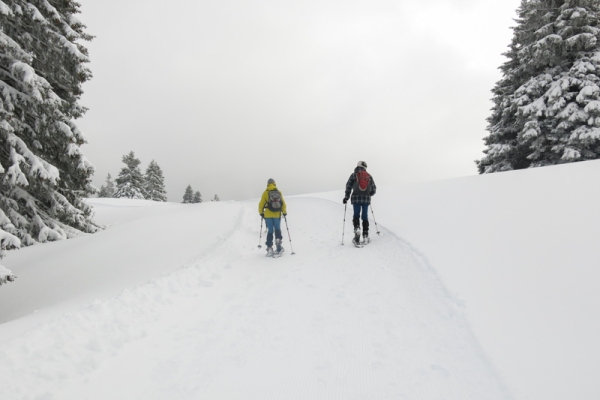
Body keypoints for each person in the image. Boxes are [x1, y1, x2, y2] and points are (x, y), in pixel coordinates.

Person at [343, 161, 376, 245]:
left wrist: (346, 197)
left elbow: (348, 186)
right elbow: (374, 189)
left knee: (356, 215)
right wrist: (369, 194)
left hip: (356, 199)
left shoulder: (354, 175)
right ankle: (365, 235)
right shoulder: (369, 176)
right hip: (366, 199)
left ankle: (357, 230)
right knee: (365, 216)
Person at [258, 178, 287, 255]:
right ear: (274, 183)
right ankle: (278, 243)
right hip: (277, 214)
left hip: (268, 215)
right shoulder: (279, 192)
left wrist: (261, 212)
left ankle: (269, 248)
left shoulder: (265, 193)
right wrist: (284, 212)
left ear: (267, 184)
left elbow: (261, 204)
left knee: (270, 231)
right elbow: (283, 203)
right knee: (277, 229)